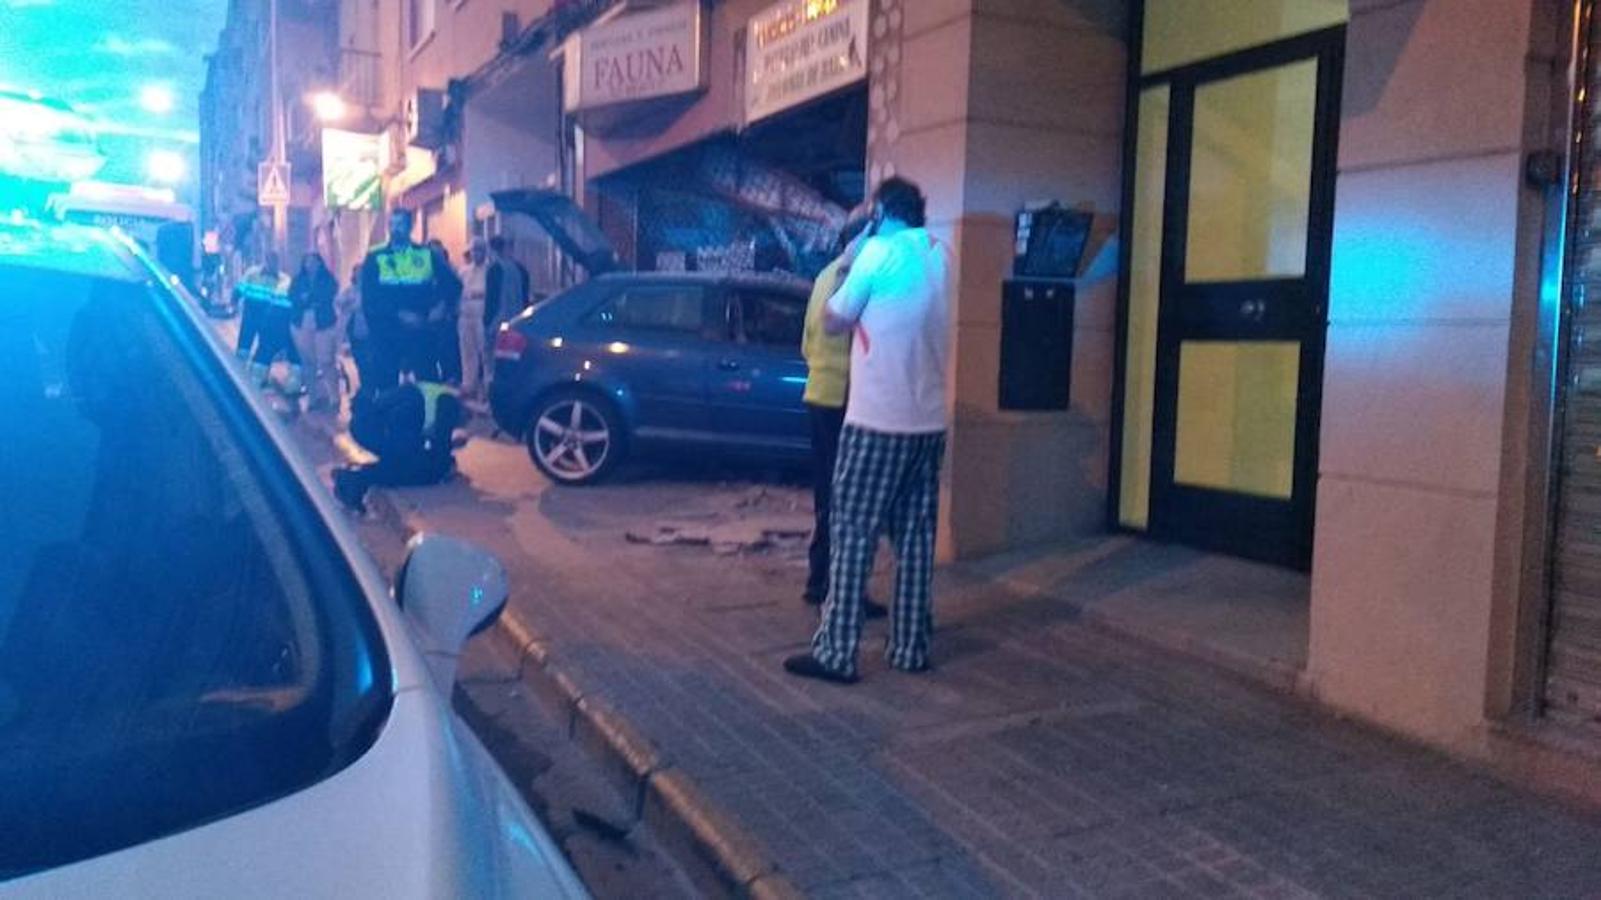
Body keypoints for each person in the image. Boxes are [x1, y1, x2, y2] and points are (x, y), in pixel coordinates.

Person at [784, 177, 952, 685]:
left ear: (879, 212)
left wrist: (852, 256)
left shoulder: (876, 252)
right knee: (916, 538)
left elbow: (835, 319)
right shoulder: (941, 252)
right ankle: (909, 647)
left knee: (852, 530)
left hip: (877, 420)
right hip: (928, 423)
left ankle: (837, 652)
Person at [801, 216, 886, 621]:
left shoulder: (822, 277)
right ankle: (842, 589)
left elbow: (806, 341)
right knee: (851, 498)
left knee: (827, 494)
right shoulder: (857, 281)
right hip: (846, 399)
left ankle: (818, 581)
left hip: (819, 393)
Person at [331, 379, 462, 514]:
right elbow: (440, 447)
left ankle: (354, 477)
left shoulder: (436, 395)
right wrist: (446, 466)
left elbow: (426, 439)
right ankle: (355, 480)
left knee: (401, 463)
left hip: (368, 423)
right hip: (382, 427)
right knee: (418, 473)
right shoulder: (448, 406)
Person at [359, 208, 453, 392]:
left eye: (400, 225)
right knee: (386, 382)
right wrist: (398, 314)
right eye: (392, 225)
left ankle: (429, 417)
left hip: (421, 330)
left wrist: (441, 306)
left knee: (427, 379)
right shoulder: (376, 257)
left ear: (410, 227)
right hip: (387, 332)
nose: (395, 229)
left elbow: (451, 284)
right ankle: (389, 417)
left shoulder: (426, 254)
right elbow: (370, 297)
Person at [234, 251, 295, 388]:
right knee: (244, 344)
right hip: (251, 314)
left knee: (265, 346)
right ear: (265, 260)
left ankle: (261, 377)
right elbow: (240, 288)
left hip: (269, 318)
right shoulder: (252, 273)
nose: (271, 263)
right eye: (269, 260)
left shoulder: (283, 279)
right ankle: (238, 372)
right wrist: (234, 300)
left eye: (274, 261)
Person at [289, 252, 340, 412]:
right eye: (307, 262)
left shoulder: (327, 279)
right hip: (302, 322)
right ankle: (313, 397)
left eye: (313, 262)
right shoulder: (298, 280)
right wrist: (305, 300)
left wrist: (309, 298)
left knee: (326, 360)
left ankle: (334, 396)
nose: (310, 265)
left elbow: (327, 296)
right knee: (308, 362)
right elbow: (293, 296)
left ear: (319, 263)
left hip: (323, 323)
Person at [458, 238, 492, 401]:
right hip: (465, 314)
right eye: (474, 250)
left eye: (479, 250)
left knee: (485, 351)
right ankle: (468, 384)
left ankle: (487, 386)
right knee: (467, 351)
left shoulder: (490, 271)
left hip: (481, 314)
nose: (476, 253)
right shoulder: (463, 271)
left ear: (485, 252)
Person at [429, 239, 464, 385]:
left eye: (437, 252)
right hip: (429, 318)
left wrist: (448, 308)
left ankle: (451, 376)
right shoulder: (426, 271)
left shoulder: (449, 270)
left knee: (448, 347)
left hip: (446, 316)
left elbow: (456, 289)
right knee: (434, 350)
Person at [338, 264, 367, 395]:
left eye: (361, 272)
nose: (359, 275)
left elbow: (360, 305)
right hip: (353, 329)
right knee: (358, 357)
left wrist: (352, 305)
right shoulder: (349, 290)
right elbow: (340, 302)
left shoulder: (371, 289)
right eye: (357, 272)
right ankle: (364, 383)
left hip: (368, 329)